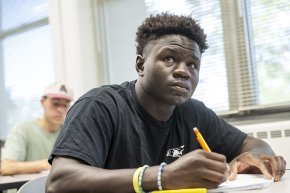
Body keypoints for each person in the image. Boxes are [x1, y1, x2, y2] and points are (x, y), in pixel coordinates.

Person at [46, 13, 286, 193]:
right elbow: (59, 181)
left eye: (193, 64)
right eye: (169, 58)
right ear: (140, 65)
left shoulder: (194, 113)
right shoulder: (101, 105)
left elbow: (252, 144)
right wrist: (163, 176)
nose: (184, 72)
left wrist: (249, 158)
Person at [1, 82, 73, 175]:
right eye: (55, 103)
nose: (60, 110)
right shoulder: (22, 130)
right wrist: (48, 164)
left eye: (65, 105)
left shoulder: (68, 131)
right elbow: (6, 167)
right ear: (42, 102)